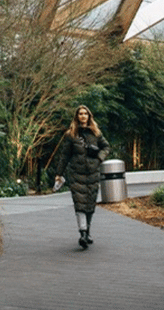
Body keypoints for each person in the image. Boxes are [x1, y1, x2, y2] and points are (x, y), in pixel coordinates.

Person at [54, 105, 110, 249]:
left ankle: (88, 231)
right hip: (76, 174)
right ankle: (83, 234)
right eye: (80, 114)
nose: (83, 116)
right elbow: (65, 155)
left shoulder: (96, 133)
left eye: (85, 114)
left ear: (89, 116)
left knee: (90, 204)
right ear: (77, 116)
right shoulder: (70, 135)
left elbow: (106, 147)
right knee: (80, 204)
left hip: (92, 173)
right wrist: (59, 174)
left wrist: (98, 159)